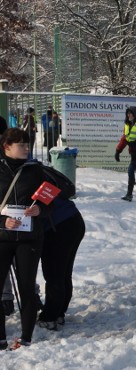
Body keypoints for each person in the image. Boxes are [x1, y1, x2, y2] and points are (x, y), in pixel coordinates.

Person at [0, 128, 47, 349]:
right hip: (2, 237)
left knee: (27, 286)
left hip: (29, 238)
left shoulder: (35, 170)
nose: (27, 148)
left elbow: (50, 199)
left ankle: (26, 336)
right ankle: (1, 337)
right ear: (6, 146)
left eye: (28, 144)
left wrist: (40, 209)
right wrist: (3, 222)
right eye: (22, 145)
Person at [37, 181, 85, 331]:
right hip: (72, 219)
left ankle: (50, 317)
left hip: (58, 226)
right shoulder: (34, 170)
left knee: (54, 274)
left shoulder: (21, 175)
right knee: (62, 273)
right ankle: (58, 313)